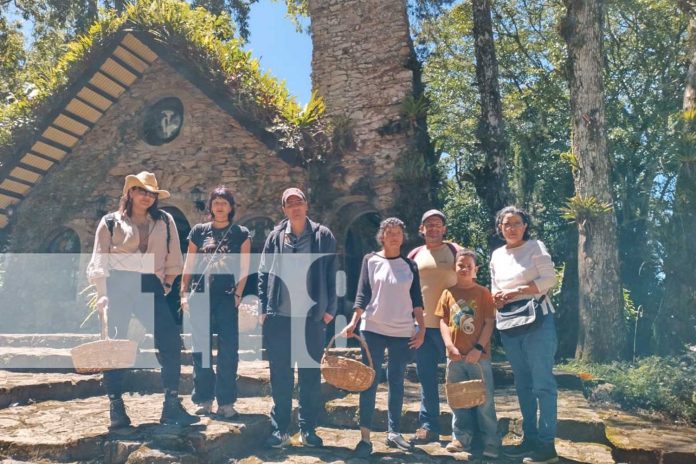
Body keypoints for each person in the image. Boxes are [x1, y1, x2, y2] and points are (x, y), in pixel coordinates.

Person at [86, 171, 199, 428]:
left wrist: (167, 284)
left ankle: (171, 405)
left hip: (150, 286)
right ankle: (116, 407)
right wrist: (102, 294)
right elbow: (99, 258)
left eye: (151, 193)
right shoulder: (110, 222)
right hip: (118, 286)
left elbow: (173, 256)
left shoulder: (165, 220)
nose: (147, 196)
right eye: (141, 191)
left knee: (170, 342)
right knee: (115, 346)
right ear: (130, 193)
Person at [257, 187, 337, 448]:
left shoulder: (323, 236)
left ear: (306, 205)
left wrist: (329, 311)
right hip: (279, 317)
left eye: (299, 201)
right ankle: (280, 429)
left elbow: (332, 273)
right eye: (289, 203)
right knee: (280, 375)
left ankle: (307, 430)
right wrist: (262, 309)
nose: (295, 206)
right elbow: (263, 272)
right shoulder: (275, 237)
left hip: (311, 318)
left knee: (309, 376)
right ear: (284, 209)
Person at [343, 217, 426, 459]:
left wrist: (421, 329)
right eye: (389, 232)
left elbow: (417, 301)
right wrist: (353, 321)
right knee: (368, 381)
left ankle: (394, 433)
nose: (394, 236)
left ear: (403, 236)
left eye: (398, 232)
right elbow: (362, 295)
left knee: (397, 382)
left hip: (402, 331)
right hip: (373, 328)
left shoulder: (410, 266)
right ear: (382, 236)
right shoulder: (370, 260)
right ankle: (365, 438)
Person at [490, 206, 558, 464]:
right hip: (510, 324)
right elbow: (495, 286)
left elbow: (549, 279)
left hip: (538, 322)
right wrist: (496, 297)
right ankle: (529, 439)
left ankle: (546, 445)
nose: (512, 228)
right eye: (506, 224)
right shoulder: (496, 255)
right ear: (500, 228)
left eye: (517, 223)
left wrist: (517, 291)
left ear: (525, 226)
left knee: (543, 384)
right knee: (523, 385)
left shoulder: (535, 247)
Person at [180, 186, 251, 419]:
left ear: (231, 207)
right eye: (216, 202)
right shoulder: (199, 231)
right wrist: (183, 292)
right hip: (200, 295)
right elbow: (189, 264)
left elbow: (244, 267)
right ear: (210, 206)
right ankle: (203, 399)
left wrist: (238, 295)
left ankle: (226, 402)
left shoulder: (241, 233)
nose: (219, 206)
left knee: (228, 351)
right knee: (201, 350)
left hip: (227, 297)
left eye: (224, 202)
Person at [436, 248, 500, 459]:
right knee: (457, 399)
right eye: (460, 265)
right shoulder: (447, 293)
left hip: (478, 357)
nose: (464, 269)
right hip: (454, 357)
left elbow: (489, 323)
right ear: (455, 267)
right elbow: (443, 321)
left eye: (468, 266)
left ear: (476, 269)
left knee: (484, 400)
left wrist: (478, 349)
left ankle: (490, 441)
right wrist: (449, 346)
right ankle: (461, 438)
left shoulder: (483, 293)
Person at [408, 209, 461, 444]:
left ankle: (464, 427)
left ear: (444, 229)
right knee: (426, 376)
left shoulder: (455, 251)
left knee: (458, 376)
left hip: (451, 325)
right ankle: (429, 426)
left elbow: (469, 281)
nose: (433, 228)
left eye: (438, 224)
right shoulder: (415, 254)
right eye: (428, 224)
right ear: (422, 229)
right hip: (422, 326)